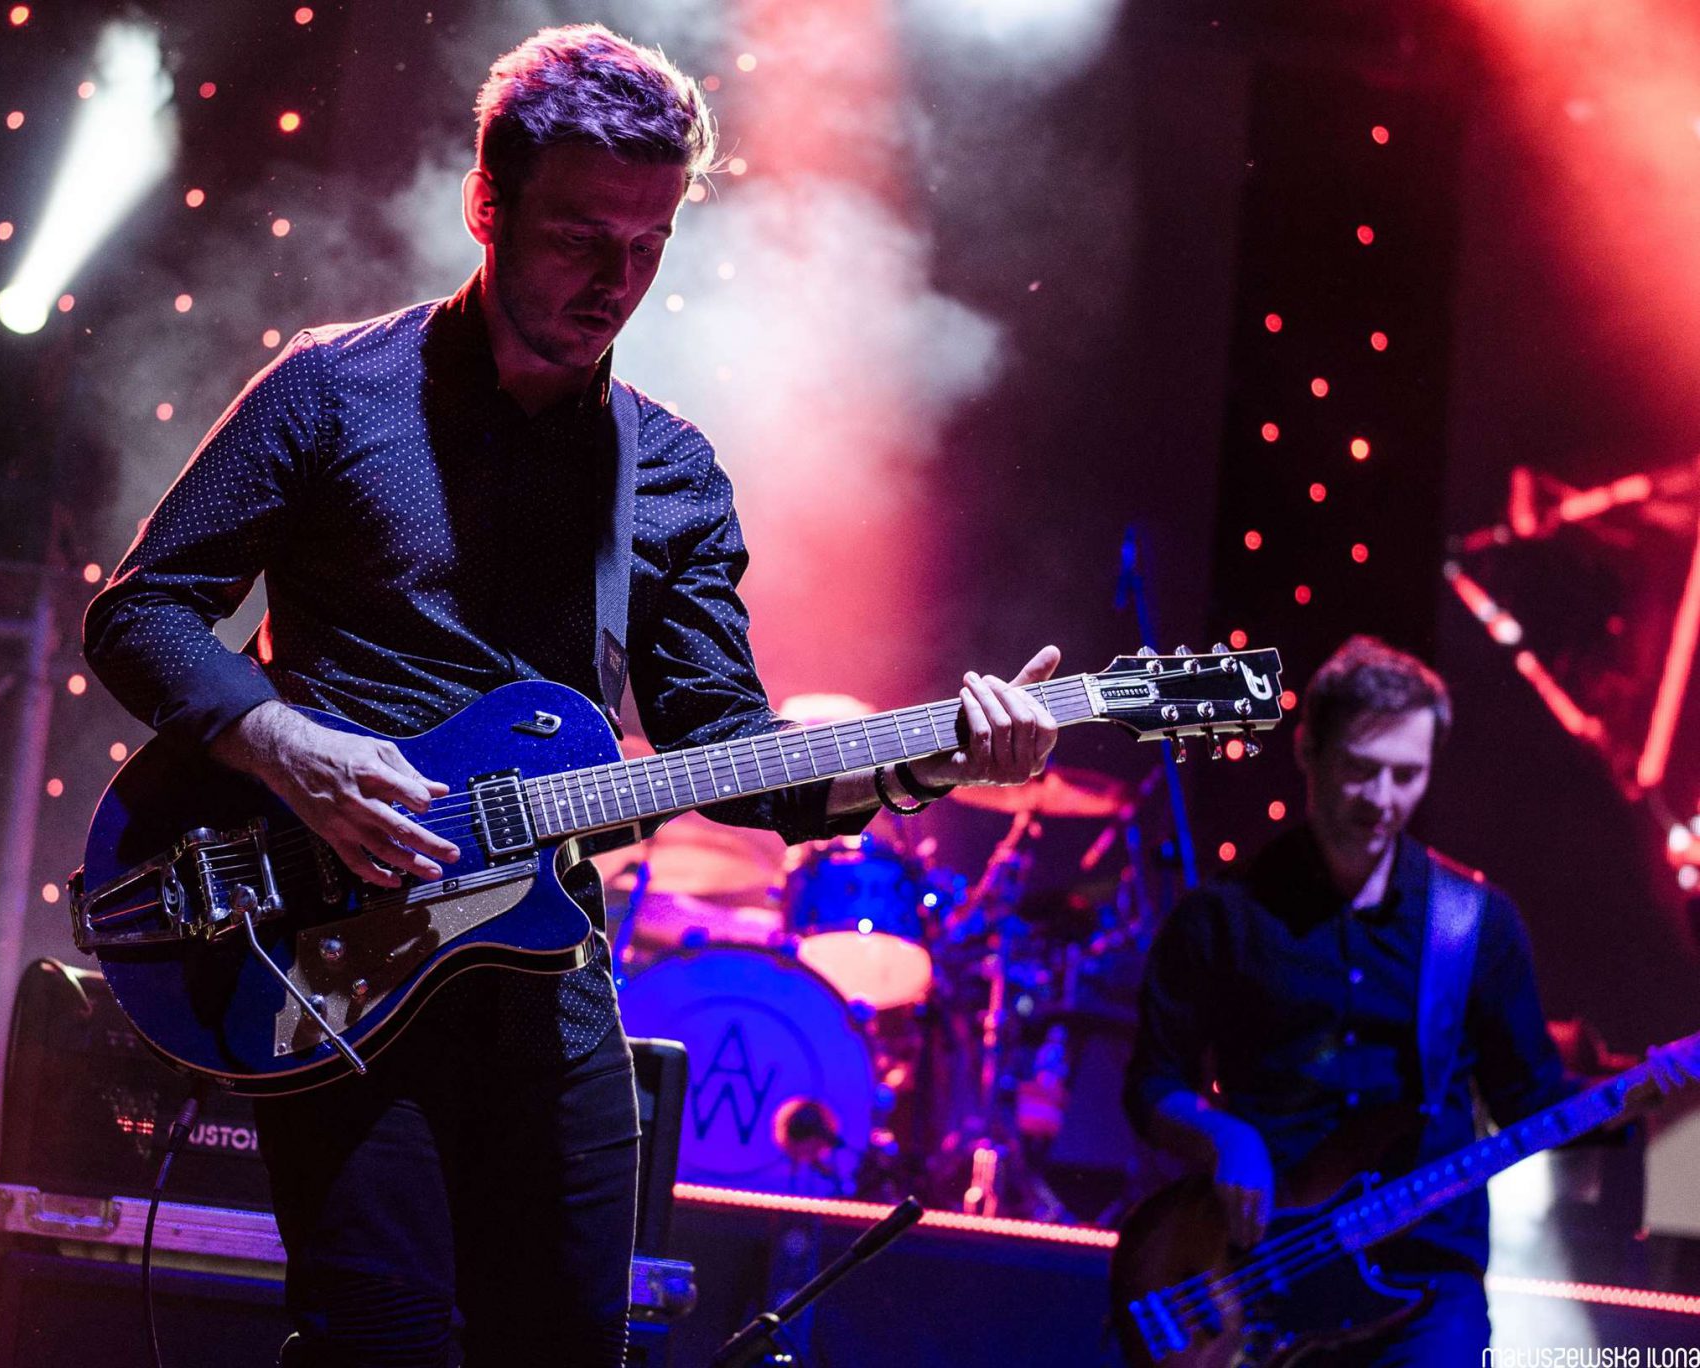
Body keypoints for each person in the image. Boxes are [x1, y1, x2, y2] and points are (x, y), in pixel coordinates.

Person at [82, 24, 1060, 1368]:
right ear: (486, 205)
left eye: (650, 244)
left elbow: (730, 753)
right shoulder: (332, 389)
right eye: (580, 238)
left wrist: (931, 759)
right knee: (381, 1349)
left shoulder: (668, 472)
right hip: (328, 963)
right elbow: (138, 611)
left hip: (546, 990)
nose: (618, 281)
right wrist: (283, 744)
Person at [1122, 635, 1568, 1363]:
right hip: (1260, 1274)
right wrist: (1226, 1138)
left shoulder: (1475, 922)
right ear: (1308, 751)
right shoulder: (1222, 917)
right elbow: (1152, 1084)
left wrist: (1652, 1094)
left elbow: (1531, 1098)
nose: (1382, 800)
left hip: (1425, 1284)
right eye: (1360, 769)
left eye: (1407, 775)